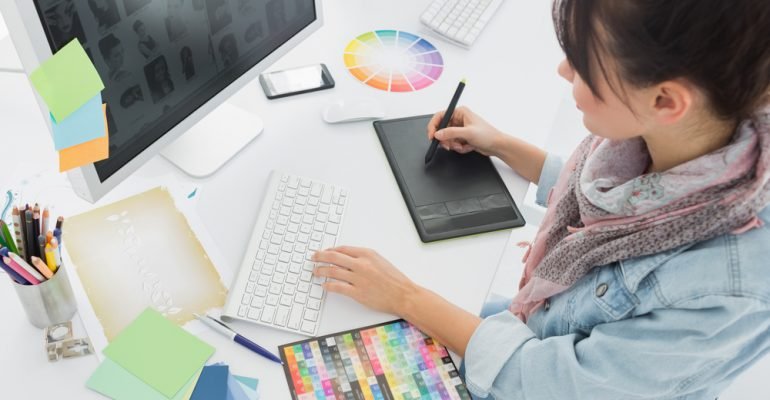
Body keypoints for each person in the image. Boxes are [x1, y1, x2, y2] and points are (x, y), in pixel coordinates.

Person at [311, 1, 770, 399]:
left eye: (583, 64)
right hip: (534, 326)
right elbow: (617, 197)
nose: (563, 70)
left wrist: (406, 296)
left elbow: (548, 382)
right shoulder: (704, 136)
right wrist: (502, 145)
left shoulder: (727, 288)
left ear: (666, 101)